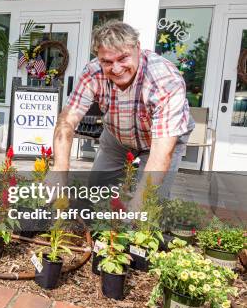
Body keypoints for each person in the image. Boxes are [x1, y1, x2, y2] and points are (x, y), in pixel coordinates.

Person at [51, 20, 194, 207]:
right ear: (98, 58)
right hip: (116, 134)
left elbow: (161, 153)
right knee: (97, 190)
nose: (116, 69)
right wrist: (60, 170)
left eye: (123, 58)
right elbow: (66, 121)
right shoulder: (93, 73)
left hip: (160, 140)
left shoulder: (164, 78)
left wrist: (138, 204)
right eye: (107, 62)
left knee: (149, 201)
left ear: (138, 48)